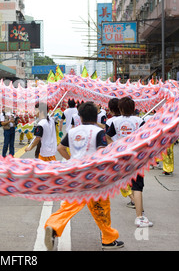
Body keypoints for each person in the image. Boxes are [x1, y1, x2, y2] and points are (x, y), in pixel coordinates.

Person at [44, 102, 124, 250]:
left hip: (76, 174)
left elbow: (60, 148)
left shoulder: (73, 131)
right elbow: (102, 152)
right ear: (96, 116)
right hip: (94, 176)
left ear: (80, 117)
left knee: (69, 205)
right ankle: (108, 239)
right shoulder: (98, 132)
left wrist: (71, 160)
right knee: (101, 208)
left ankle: (53, 226)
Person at [106, 97, 153, 228]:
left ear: (120, 109)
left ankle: (139, 209)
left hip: (122, 157)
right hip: (136, 158)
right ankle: (140, 217)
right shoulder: (139, 121)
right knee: (137, 187)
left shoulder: (115, 122)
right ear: (133, 108)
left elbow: (107, 136)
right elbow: (147, 138)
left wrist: (115, 146)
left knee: (127, 183)